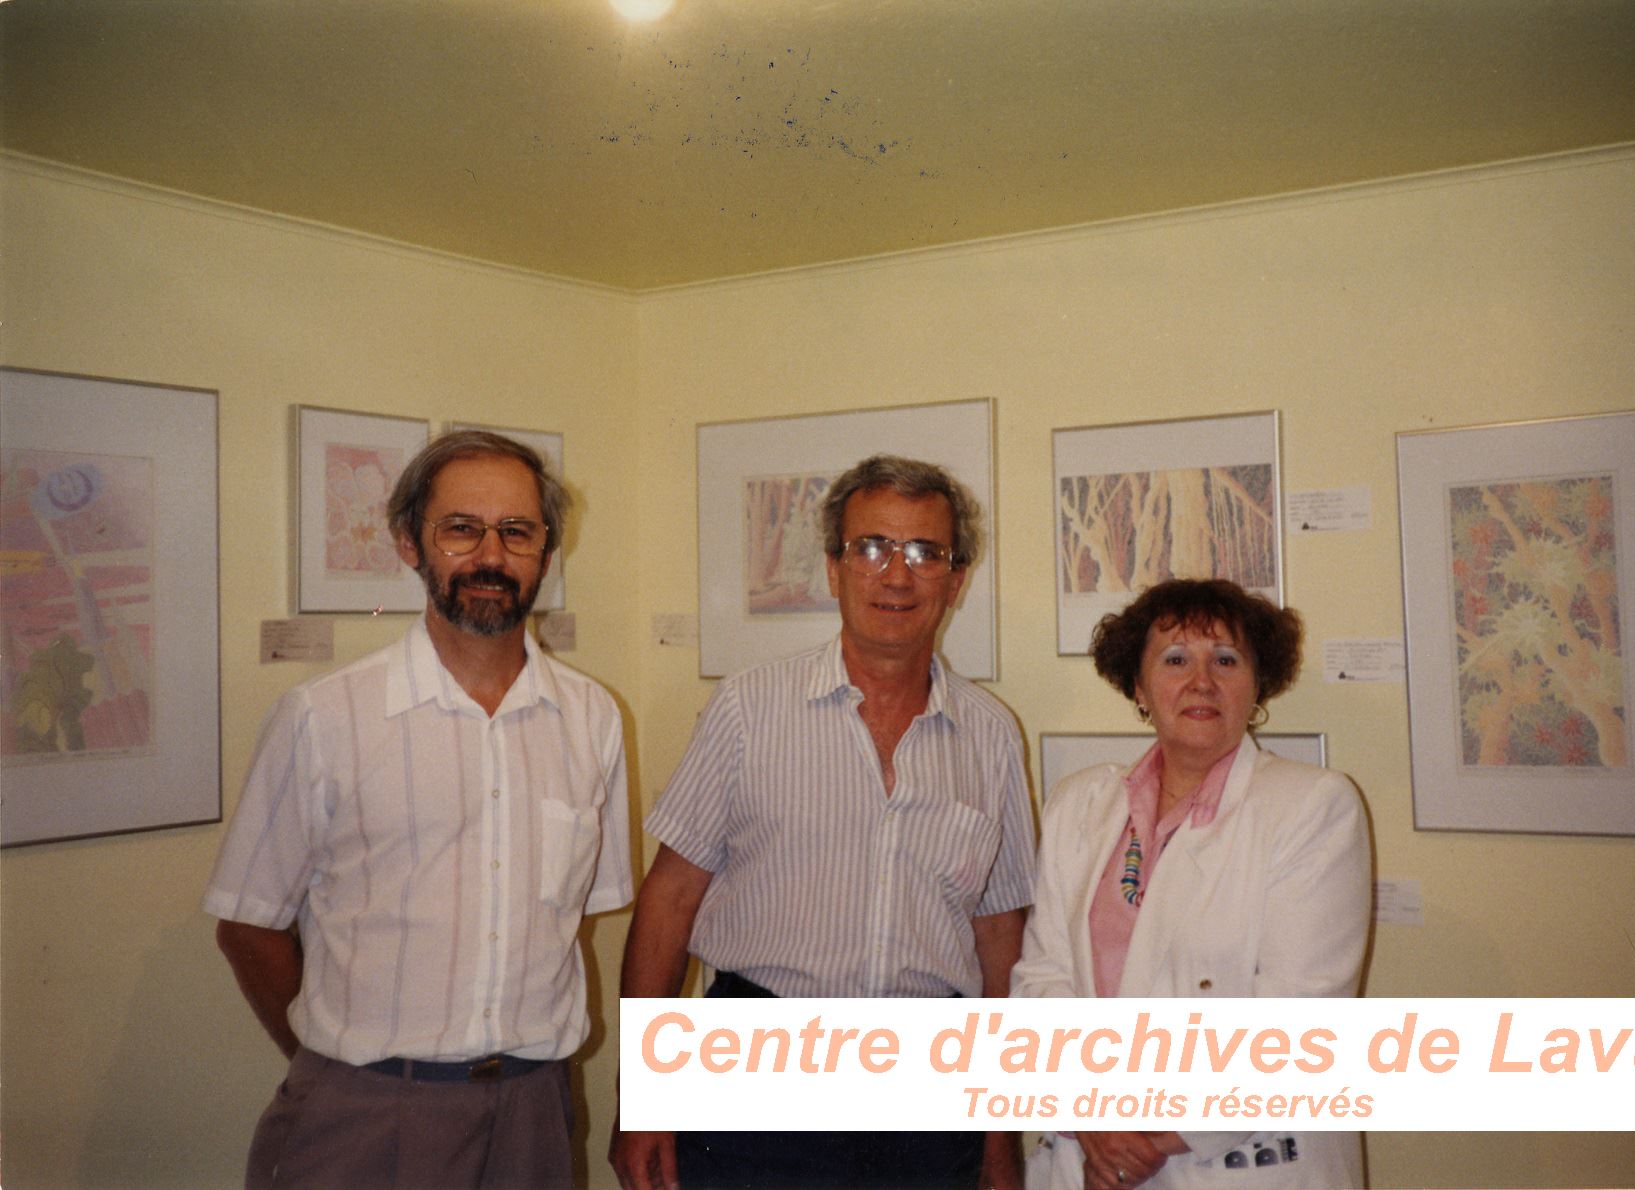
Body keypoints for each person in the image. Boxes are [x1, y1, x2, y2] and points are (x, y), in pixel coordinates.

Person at [205, 430, 633, 1189]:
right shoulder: (324, 717)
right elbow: (246, 924)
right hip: (363, 1111)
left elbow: (578, 918)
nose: (491, 557)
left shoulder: (592, 717)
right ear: (410, 543)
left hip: (535, 1110)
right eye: (461, 529)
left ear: (545, 549)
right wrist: (341, 1062)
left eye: (517, 532)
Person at [610, 454, 1037, 1190]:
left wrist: (1000, 1136)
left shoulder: (992, 735)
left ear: (956, 579)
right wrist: (643, 1095)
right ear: (835, 568)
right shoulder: (749, 709)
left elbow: (1000, 938)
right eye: (870, 547)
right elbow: (669, 899)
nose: (895, 576)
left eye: (924, 553)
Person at [1012, 579, 1371, 1190]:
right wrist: (1093, 1120)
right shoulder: (1082, 805)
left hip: (1234, 1160)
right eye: (1176, 659)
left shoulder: (1312, 807)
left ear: (1258, 685)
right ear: (1138, 685)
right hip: (1086, 1155)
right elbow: (1042, 981)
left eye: (1226, 661)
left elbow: (1299, 1022)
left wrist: (1148, 1138)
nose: (1201, 681)